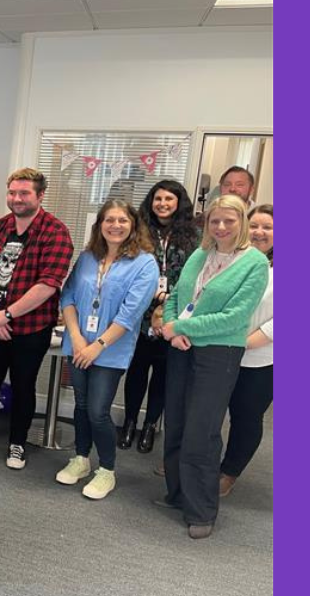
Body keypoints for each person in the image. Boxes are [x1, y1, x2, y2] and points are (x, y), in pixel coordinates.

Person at [155, 194, 269, 539]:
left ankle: (201, 510)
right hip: (181, 349)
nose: (221, 227)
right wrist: (172, 331)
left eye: (229, 221)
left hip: (219, 352)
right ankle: (177, 493)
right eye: (215, 221)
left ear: (242, 223)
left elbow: (234, 317)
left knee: (201, 433)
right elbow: (177, 297)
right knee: (175, 422)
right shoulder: (201, 253)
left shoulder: (254, 263)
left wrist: (181, 328)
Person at [55, 201, 159, 500]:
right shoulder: (88, 257)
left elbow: (130, 314)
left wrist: (97, 346)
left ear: (133, 224)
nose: (115, 225)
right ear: (100, 224)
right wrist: (76, 337)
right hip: (78, 344)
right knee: (81, 405)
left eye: (122, 220)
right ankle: (81, 458)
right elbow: (69, 296)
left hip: (110, 350)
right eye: (109, 220)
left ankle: (107, 471)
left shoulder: (145, 263)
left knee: (99, 411)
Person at [0, 168, 74, 470]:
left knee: (23, 385)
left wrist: (6, 315)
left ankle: (17, 443)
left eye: (24, 193)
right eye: (12, 193)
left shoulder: (55, 232)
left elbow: (48, 284)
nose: (16, 198)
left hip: (31, 329)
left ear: (40, 195)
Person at [120, 180, 198, 453]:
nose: (162, 204)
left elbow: (196, 275)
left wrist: (171, 297)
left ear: (179, 204)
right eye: (158, 199)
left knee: (163, 375)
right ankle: (130, 422)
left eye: (169, 199)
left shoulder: (193, 236)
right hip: (140, 313)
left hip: (174, 313)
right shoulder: (139, 231)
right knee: (137, 371)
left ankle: (151, 425)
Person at [220, 204, 273, 498]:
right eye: (254, 226)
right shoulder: (232, 259)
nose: (259, 232)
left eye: (267, 227)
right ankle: (195, 462)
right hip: (220, 353)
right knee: (209, 411)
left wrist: (244, 342)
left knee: (245, 417)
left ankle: (230, 471)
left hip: (260, 360)